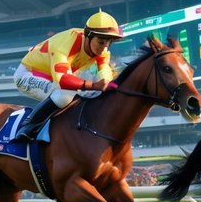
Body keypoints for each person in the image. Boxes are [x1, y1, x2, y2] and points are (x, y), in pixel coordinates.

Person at [10, 11, 124, 142]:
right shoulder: (66, 44)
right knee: (64, 96)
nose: (104, 48)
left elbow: (105, 74)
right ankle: (28, 126)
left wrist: (109, 84)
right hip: (28, 73)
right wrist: (93, 85)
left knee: (83, 95)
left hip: (54, 76)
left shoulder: (102, 51)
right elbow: (62, 80)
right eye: (101, 42)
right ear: (88, 36)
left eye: (108, 43)